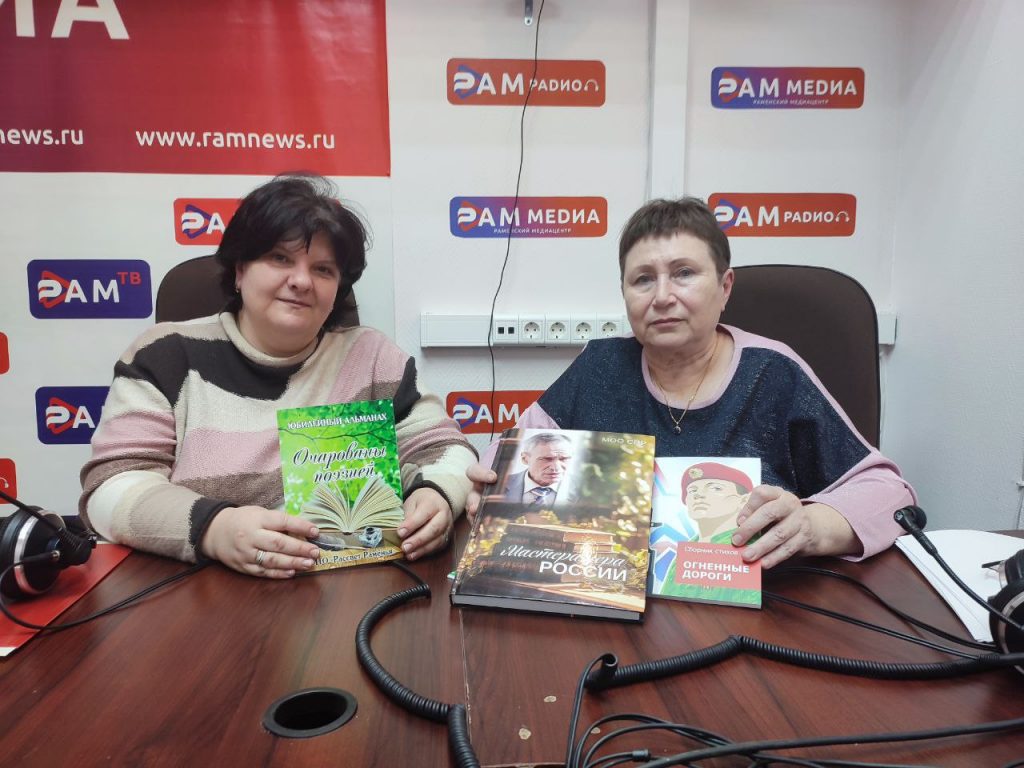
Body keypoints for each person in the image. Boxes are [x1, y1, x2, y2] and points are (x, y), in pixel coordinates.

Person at [468, 197, 916, 569]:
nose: (663, 297)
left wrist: (812, 526)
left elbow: (889, 493)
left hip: (761, 610)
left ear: (725, 287)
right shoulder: (600, 365)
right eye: (643, 279)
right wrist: (488, 483)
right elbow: (509, 453)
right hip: (612, 602)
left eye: (684, 273)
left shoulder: (773, 372)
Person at [80, 174, 475, 578]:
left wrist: (436, 494)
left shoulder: (370, 356)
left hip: (348, 587)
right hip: (202, 589)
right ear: (239, 270)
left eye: (323, 269)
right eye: (280, 259)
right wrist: (215, 528)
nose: (301, 281)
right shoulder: (166, 353)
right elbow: (109, 488)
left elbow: (445, 449)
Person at [500, 432, 574, 505]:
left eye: (564, 459)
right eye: (547, 459)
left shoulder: (577, 490)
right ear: (525, 459)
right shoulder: (501, 484)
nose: (556, 467)